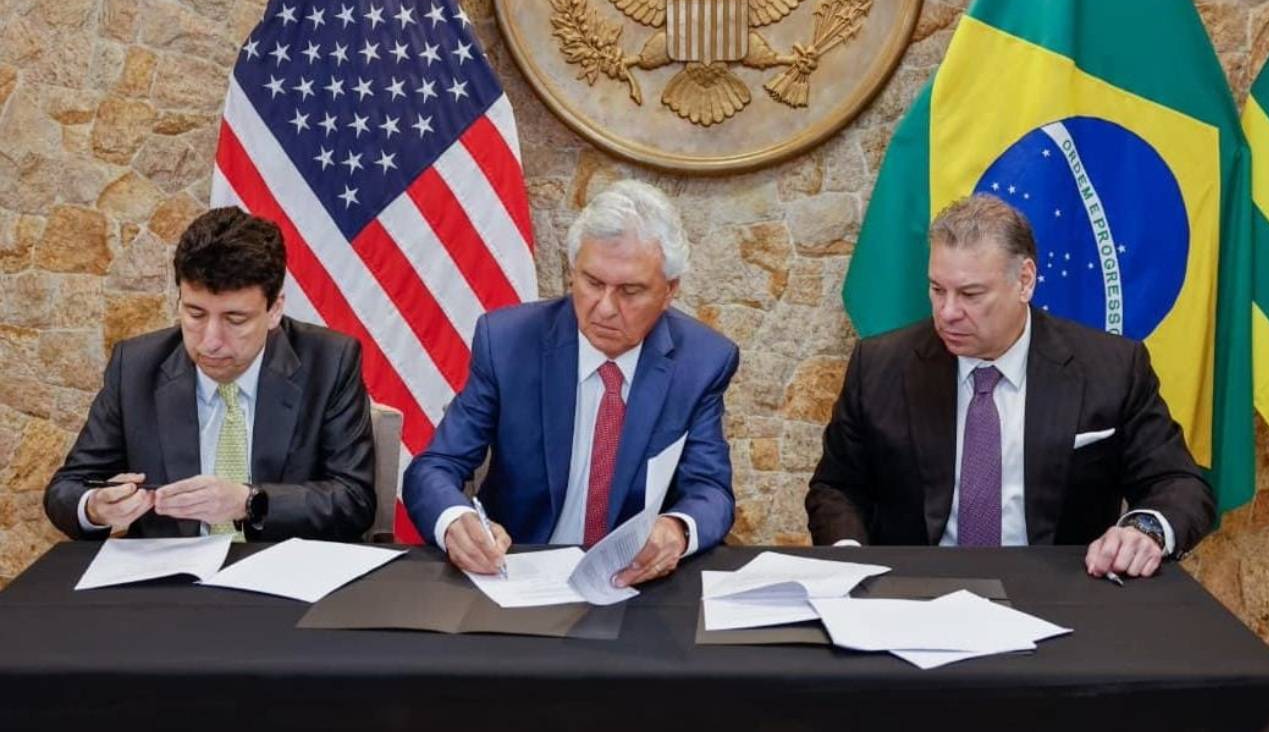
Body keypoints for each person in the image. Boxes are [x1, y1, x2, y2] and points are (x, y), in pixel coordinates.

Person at [806, 194, 1215, 579]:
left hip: (1062, 592)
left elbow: (1178, 484)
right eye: (937, 290)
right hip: (915, 590)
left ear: (1025, 281)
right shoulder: (880, 366)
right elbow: (837, 487)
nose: (947, 312)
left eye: (970, 294)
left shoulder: (1110, 368)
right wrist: (848, 555)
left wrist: (1144, 530)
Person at [404, 180, 739, 587]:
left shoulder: (701, 361)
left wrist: (677, 529)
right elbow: (435, 466)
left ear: (669, 291)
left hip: (632, 582)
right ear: (573, 271)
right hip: (517, 571)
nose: (605, 308)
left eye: (630, 291)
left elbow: (710, 490)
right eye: (593, 283)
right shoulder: (508, 343)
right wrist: (456, 521)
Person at [44, 207, 376, 542]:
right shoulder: (135, 367)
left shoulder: (329, 362)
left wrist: (249, 501)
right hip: (170, 568)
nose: (211, 341)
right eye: (195, 314)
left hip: (281, 565)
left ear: (274, 309)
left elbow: (354, 500)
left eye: (235, 319)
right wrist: (95, 507)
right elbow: (66, 488)